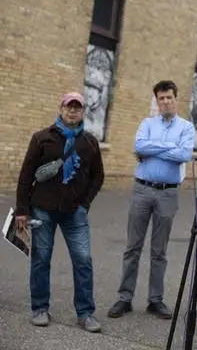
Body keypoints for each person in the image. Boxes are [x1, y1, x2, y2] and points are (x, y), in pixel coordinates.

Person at [15, 92, 105, 332]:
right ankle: (40, 308)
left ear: (82, 112)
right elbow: (26, 176)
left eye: (77, 108)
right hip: (43, 208)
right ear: (61, 109)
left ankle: (86, 313)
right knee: (41, 259)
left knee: (83, 261)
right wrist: (22, 210)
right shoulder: (42, 138)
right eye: (69, 107)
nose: (72, 111)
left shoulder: (89, 142)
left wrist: (85, 204)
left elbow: (98, 177)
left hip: (75, 212)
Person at [108, 80, 195, 319]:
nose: (165, 102)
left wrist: (152, 148)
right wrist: (168, 147)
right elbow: (139, 146)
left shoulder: (186, 128)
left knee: (159, 250)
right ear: (156, 101)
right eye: (161, 99)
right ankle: (124, 297)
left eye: (169, 97)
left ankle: (155, 300)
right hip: (142, 190)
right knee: (132, 247)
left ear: (176, 99)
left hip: (168, 192)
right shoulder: (147, 123)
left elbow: (184, 154)